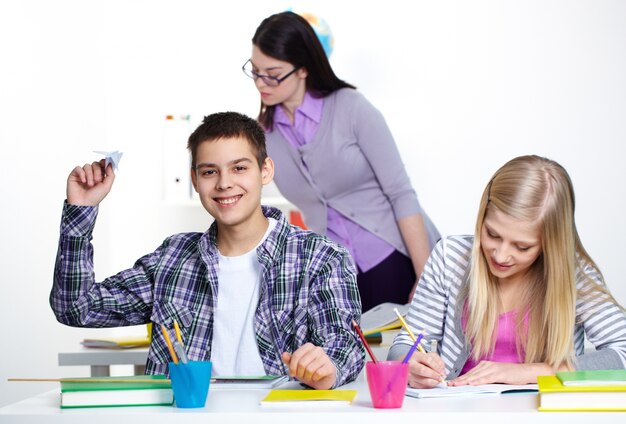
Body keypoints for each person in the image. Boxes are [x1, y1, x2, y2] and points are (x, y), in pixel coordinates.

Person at [50, 111, 365, 390]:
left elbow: (345, 345)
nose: (224, 183)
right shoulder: (172, 259)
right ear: (195, 180)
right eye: (210, 172)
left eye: (239, 168)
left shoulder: (322, 258)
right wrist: (81, 210)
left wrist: (329, 367)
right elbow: (76, 308)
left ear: (265, 171)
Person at [242, 11, 440, 312]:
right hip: (336, 274)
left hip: (394, 257)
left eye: (272, 73)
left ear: (303, 69)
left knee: (402, 356)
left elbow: (401, 194)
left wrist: (424, 277)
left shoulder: (351, 107)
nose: (261, 82)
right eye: (255, 71)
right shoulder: (264, 135)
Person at [388, 155, 626, 387]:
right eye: (492, 234)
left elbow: (622, 352)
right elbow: (404, 344)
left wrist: (533, 372)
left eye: (522, 247)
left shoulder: (574, 276)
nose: (500, 255)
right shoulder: (451, 258)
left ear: (551, 245)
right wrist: (409, 364)